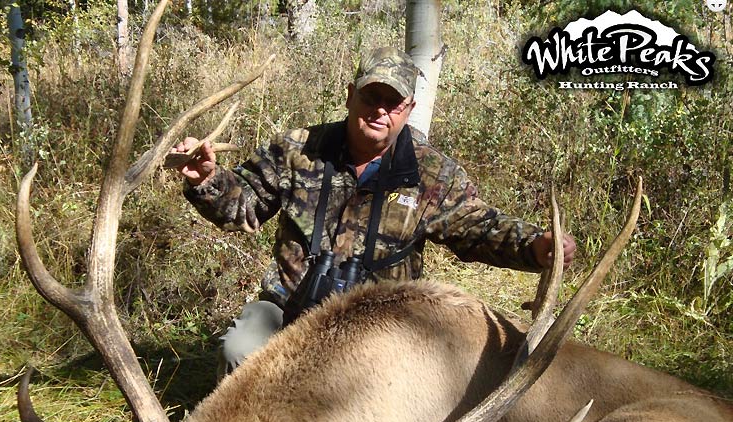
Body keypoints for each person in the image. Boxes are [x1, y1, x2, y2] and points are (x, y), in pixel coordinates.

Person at [172, 47, 576, 377]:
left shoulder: (431, 173)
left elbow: (479, 226)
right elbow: (244, 206)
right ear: (350, 95)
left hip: (381, 328)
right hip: (289, 310)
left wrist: (535, 245)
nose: (380, 111)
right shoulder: (297, 150)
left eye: (393, 102)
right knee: (240, 351)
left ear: (408, 108)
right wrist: (206, 179)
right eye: (371, 97)